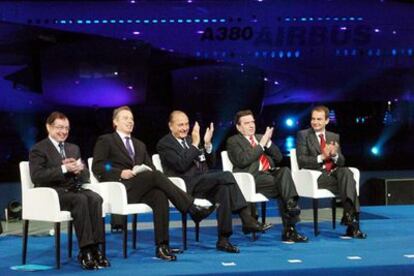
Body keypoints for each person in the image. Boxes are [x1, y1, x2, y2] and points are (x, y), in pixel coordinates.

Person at [92, 106, 215, 261]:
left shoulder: (139, 145)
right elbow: (98, 166)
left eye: (131, 119)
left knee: (159, 195)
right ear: (115, 122)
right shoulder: (106, 140)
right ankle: (191, 207)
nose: (130, 121)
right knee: (156, 176)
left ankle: (162, 246)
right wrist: (120, 172)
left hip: (138, 187)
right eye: (125, 118)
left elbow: (151, 168)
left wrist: (140, 170)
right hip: (120, 188)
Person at [156, 110, 270, 254]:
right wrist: (195, 144)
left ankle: (224, 239)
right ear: (170, 126)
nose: (185, 128)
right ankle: (247, 219)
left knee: (224, 189)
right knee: (227, 175)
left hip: (203, 182)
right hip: (184, 187)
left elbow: (210, 163)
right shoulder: (165, 144)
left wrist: (208, 145)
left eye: (186, 124)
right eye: (180, 125)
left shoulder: (191, 139)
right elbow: (181, 165)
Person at [29, 111, 110, 270]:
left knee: (95, 198)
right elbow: (37, 176)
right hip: (52, 193)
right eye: (59, 127)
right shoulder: (38, 149)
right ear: (49, 127)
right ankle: (85, 250)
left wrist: (79, 170)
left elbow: (86, 176)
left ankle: (96, 248)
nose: (63, 132)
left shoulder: (73, 148)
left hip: (73, 189)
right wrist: (64, 168)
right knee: (80, 200)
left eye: (66, 128)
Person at [226, 110, 308, 243]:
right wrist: (261, 145)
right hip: (251, 178)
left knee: (285, 171)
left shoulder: (261, 137)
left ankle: (290, 206)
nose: (251, 125)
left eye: (252, 122)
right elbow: (242, 160)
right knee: (284, 189)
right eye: (247, 123)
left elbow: (279, 158)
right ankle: (290, 228)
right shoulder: (233, 141)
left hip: (269, 174)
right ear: (238, 127)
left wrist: (268, 143)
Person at [296, 105, 366, 239]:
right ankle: (353, 223)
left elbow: (342, 161)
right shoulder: (303, 135)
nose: (315, 122)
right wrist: (321, 157)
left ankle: (350, 218)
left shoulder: (333, 136)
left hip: (334, 174)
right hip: (316, 176)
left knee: (346, 172)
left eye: (319, 119)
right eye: (313, 119)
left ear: (327, 121)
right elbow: (301, 160)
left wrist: (334, 155)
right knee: (348, 183)